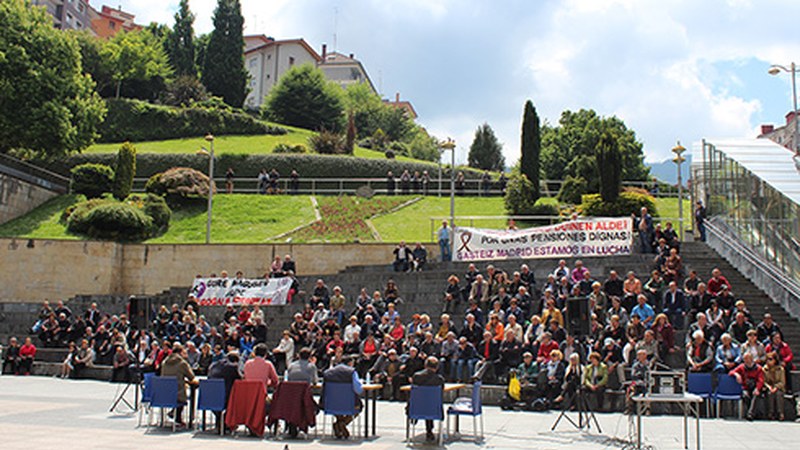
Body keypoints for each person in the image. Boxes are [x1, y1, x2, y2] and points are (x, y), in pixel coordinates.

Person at [321, 356, 363, 439]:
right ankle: (342, 423)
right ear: (350, 363)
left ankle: (339, 424)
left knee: (337, 406)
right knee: (360, 407)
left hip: (330, 403)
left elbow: (324, 389)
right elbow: (358, 390)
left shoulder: (328, 372)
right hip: (349, 403)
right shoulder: (352, 372)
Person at [160, 342, 196, 428]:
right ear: (180, 353)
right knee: (182, 396)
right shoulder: (182, 363)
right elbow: (191, 376)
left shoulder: (164, 362)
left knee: (176, 392)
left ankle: (174, 413)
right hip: (177, 394)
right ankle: (179, 417)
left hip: (164, 394)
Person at [411, 356, 446, 442]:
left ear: (425, 365)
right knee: (430, 402)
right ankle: (429, 431)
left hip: (417, 408)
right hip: (434, 409)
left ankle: (413, 417)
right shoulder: (439, 379)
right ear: (437, 367)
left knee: (422, 400)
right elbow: (441, 393)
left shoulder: (416, 376)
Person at [208, 351, 242, 434]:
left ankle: (220, 423)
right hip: (225, 398)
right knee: (236, 398)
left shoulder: (213, 365)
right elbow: (239, 380)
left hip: (209, 398)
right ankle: (227, 423)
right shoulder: (232, 367)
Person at [729, 352, 764, 420]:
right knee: (745, 395)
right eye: (745, 359)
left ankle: (750, 414)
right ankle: (750, 413)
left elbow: (761, 380)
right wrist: (736, 374)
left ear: (752, 359)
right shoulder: (741, 367)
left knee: (755, 395)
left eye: (748, 358)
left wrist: (757, 388)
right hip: (746, 388)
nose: (746, 360)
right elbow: (731, 372)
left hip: (755, 387)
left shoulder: (759, 368)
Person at [763, 351, 786, 421]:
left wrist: (776, 387)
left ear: (775, 360)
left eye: (770, 359)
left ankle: (780, 413)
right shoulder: (764, 369)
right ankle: (771, 413)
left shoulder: (780, 369)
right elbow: (764, 381)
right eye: (767, 359)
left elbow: (782, 382)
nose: (768, 361)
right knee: (770, 394)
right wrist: (769, 387)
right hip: (769, 387)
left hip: (779, 387)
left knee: (779, 394)